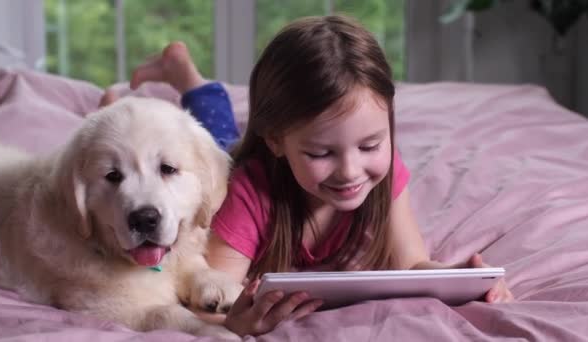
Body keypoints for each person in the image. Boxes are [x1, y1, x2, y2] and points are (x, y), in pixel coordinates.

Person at [104, 15, 513, 337]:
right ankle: (127, 99)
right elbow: (206, 298)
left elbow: (412, 263)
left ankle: (182, 72)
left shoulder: (384, 174)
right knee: (213, 133)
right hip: (234, 160)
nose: (351, 170)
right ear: (277, 142)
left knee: (221, 126)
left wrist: (460, 280)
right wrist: (233, 325)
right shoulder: (249, 192)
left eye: (370, 145)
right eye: (321, 153)